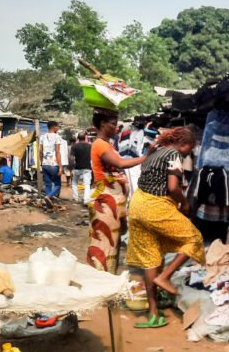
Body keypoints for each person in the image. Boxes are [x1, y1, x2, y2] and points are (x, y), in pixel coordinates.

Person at [126, 127, 205, 328]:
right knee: (194, 238)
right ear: (184, 144)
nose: (188, 154)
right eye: (189, 149)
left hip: (137, 205)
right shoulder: (173, 154)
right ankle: (165, 277)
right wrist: (184, 203)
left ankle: (153, 313)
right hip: (155, 206)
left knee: (151, 259)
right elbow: (172, 187)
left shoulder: (154, 153)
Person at [87, 111, 148, 273]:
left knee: (111, 243)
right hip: (105, 203)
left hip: (113, 203)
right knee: (104, 244)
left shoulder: (108, 144)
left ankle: (106, 277)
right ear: (102, 124)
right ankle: (101, 280)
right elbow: (120, 163)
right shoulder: (100, 144)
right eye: (113, 124)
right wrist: (145, 157)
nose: (116, 127)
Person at [40, 121, 63, 198]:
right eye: (57, 126)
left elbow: (40, 152)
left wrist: (41, 163)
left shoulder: (42, 137)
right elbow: (57, 152)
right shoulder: (57, 137)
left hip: (45, 164)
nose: (58, 128)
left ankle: (48, 200)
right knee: (58, 185)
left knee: (48, 184)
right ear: (54, 127)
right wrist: (60, 166)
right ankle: (48, 197)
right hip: (54, 164)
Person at [70, 132, 93, 205]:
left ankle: (76, 198)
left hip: (77, 167)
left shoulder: (74, 146)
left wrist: (71, 168)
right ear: (85, 138)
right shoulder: (90, 146)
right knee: (87, 184)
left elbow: (72, 158)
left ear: (78, 138)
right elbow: (92, 157)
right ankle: (86, 200)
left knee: (74, 182)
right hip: (87, 168)